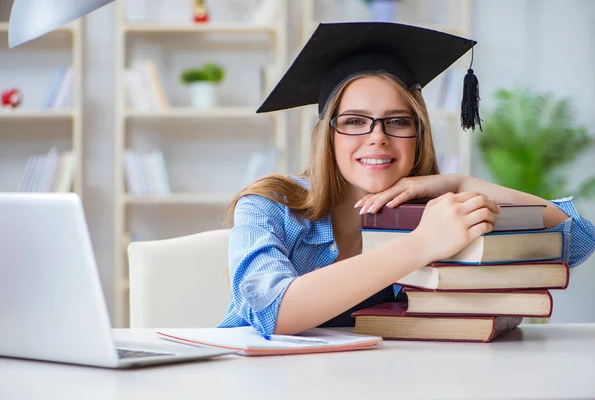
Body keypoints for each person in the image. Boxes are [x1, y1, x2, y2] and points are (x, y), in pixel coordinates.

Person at [217, 22, 595, 336]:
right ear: (327, 136)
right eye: (354, 121)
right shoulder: (270, 205)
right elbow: (273, 312)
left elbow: (577, 240)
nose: (377, 136)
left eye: (398, 121)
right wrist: (423, 244)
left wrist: (461, 184)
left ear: (419, 134)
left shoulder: (441, 211)